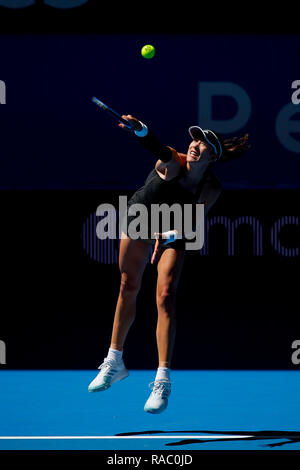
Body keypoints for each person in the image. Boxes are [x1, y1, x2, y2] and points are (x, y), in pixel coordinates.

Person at [88, 115, 250, 414]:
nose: (195, 145)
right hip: (141, 218)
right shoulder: (172, 160)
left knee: (165, 297)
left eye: (203, 143)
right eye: (195, 139)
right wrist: (140, 129)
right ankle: (114, 361)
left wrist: (168, 235)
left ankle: (162, 379)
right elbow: (153, 144)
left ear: (212, 156)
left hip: (174, 229)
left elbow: (193, 225)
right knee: (128, 285)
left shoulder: (210, 187)